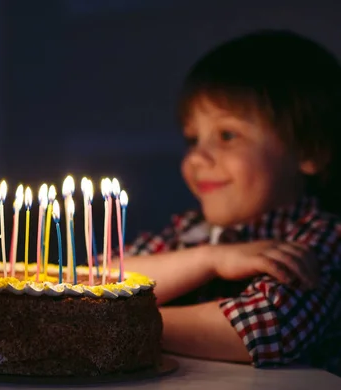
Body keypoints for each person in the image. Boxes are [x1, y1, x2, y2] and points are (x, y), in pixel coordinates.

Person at [125, 30, 341, 374]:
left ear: (308, 150)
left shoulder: (320, 239)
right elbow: (97, 280)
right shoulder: (191, 234)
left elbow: (260, 329)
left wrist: (114, 323)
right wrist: (209, 259)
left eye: (227, 135)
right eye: (192, 139)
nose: (197, 157)